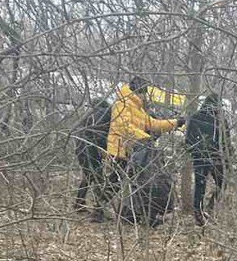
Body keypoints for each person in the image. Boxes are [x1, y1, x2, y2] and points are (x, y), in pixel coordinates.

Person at [94, 76, 186, 222]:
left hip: (133, 150)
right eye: (144, 92)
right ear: (138, 91)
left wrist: (175, 123)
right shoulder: (122, 103)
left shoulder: (137, 106)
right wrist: (144, 137)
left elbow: (152, 123)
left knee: (131, 182)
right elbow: (122, 126)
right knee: (117, 181)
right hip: (120, 149)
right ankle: (103, 211)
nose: (145, 96)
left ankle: (127, 214)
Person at [184, 93, 229, 227]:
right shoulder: (220, 120)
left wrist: (194, 152)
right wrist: (226, 158)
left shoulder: (195, 117)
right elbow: (226, 142)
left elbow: (188, 141)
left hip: (201, 156)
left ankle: (199, 213)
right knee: (222, 182)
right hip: (215, 157)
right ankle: (207, 209)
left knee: (200, 185)